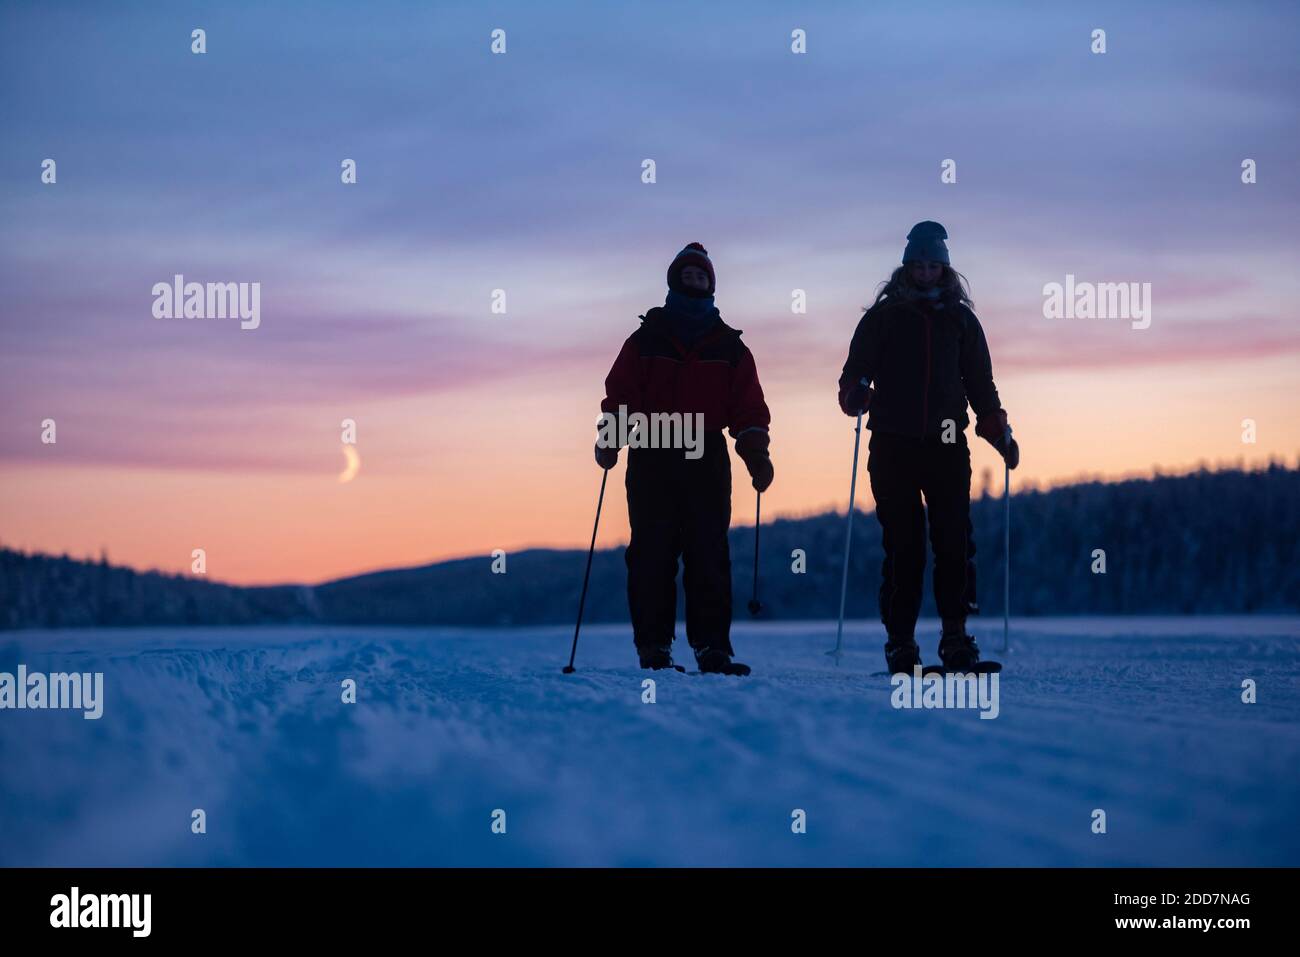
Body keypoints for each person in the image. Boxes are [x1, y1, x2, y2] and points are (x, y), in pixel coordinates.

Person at [837, 222, 1019, 674]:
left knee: (954, 541)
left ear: (944, 268)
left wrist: (998, 432)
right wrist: (856, 393)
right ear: (906, 267)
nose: (925, 272)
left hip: (946, 444)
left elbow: (980, 384)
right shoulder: (881, 319)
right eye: (918, 265)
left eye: (932, 265)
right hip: (893, 445)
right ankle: (901, 643)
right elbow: (854, 373)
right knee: (904, 547)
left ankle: (956, 639)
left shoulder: (961, 321)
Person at [597, 243, 772, 675]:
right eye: (688, 276)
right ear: (674, 281)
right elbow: (622, 397)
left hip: (706, 454)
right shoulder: (644, 340)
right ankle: (654, 647)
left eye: (702, 277)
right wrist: (610, 440)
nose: (695, 282)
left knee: (708, 552)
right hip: (653, 450)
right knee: (651, 553)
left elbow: (747, 407)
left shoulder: (730, 346)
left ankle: (713, 648)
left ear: (711, 284)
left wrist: (756, 454)